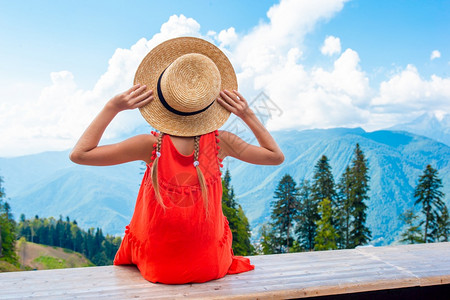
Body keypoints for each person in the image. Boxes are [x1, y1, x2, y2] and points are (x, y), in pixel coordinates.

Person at [70, 37, 284, 284]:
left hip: (158, 267)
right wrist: (246, 114)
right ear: (208, 104)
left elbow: (80, 154)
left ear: (163, 100)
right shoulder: (220, 143)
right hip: (210, 265)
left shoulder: (151, 146)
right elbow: (275, 156)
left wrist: (112, 107)